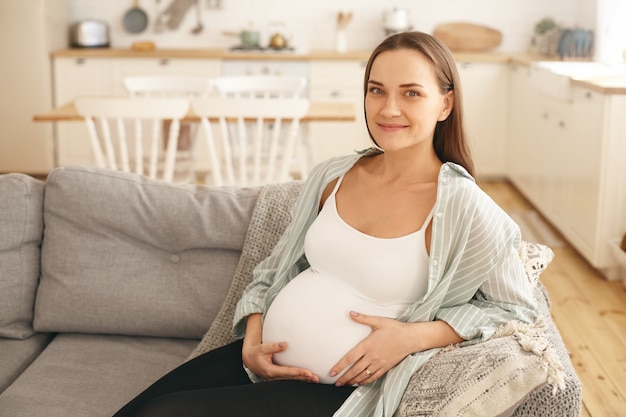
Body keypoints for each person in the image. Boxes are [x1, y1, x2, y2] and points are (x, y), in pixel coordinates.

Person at [113, 31, 539, 417]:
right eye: (377, 90)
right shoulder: (333, 175)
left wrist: (413, 338)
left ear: (444, 103)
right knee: (136, 410)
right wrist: (253, 339)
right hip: (261, 363)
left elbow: (515, 308)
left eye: (411, 93)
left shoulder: (464, 207)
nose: (389, 109)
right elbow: (273, 270)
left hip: (339, 393)